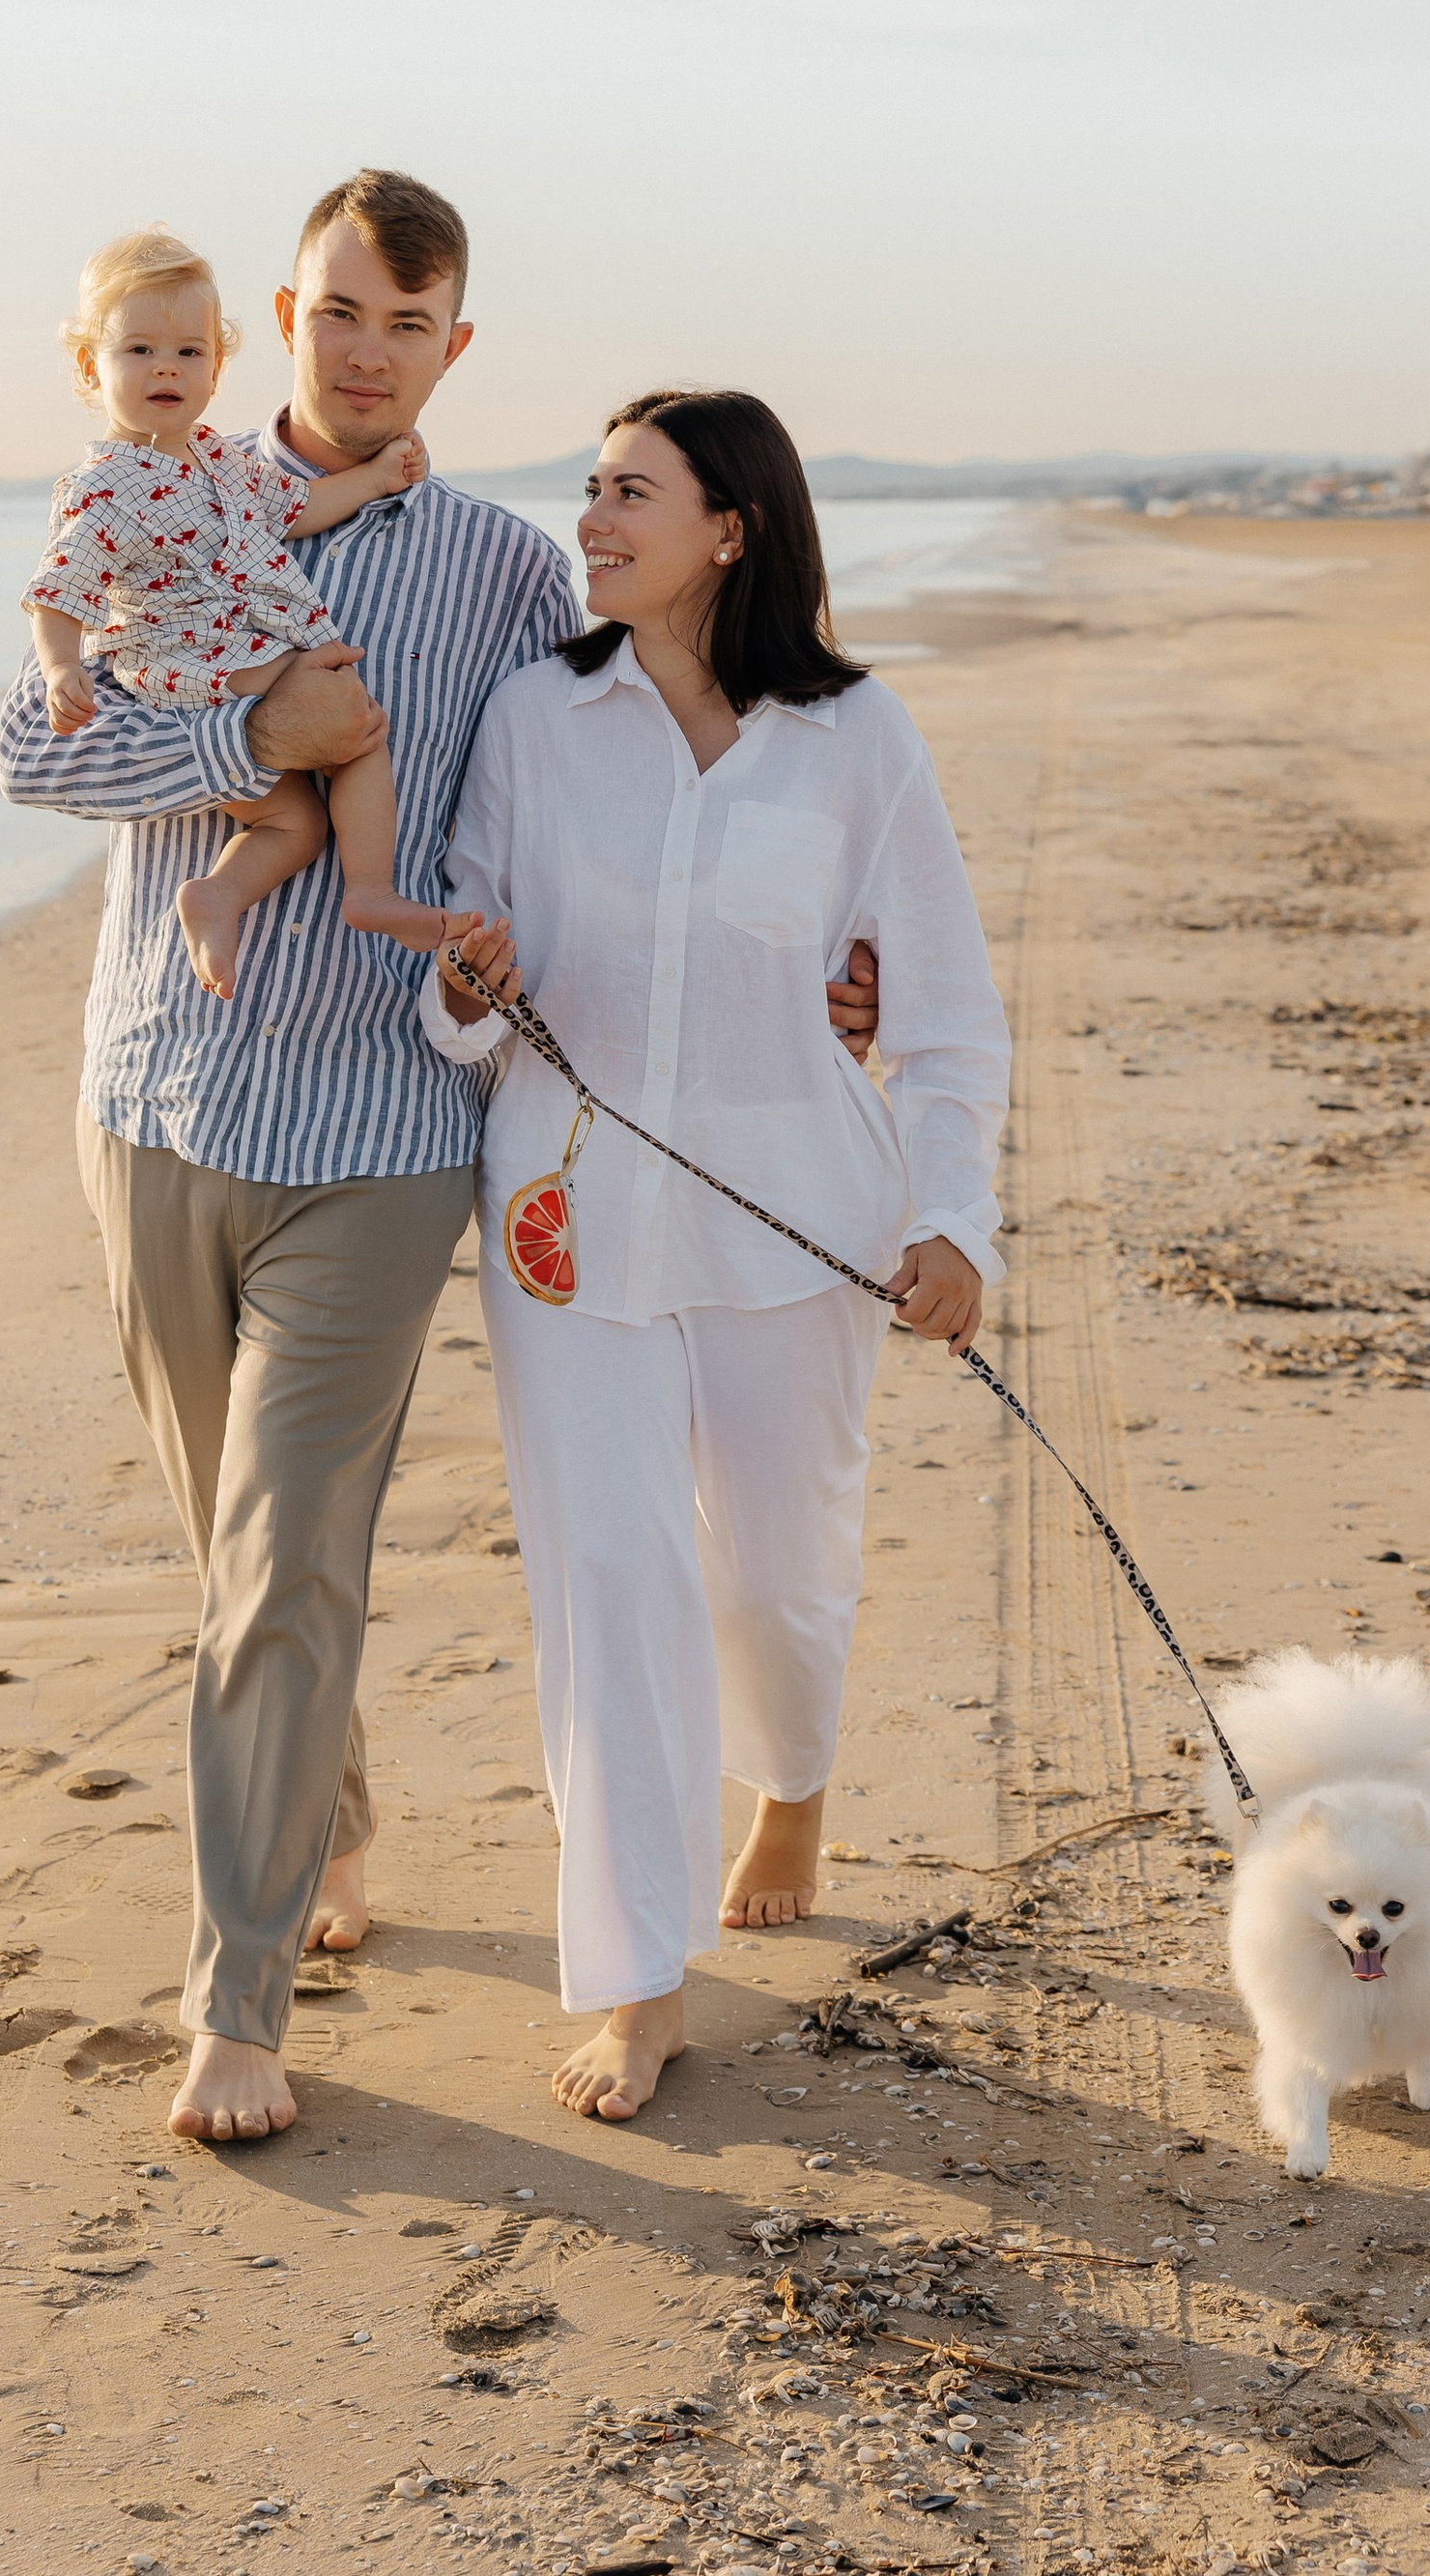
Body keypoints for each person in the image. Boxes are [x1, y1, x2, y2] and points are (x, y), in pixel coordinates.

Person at [0, 178, 885, 2144]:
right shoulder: (167, 493)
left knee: (286, 1551)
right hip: (149, 1097)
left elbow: (647, 743)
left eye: (404, 318)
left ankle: (233, 2003)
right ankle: (330, 1801)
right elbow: (30, 753)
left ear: (451, 344)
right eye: (330, 308)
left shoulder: (503, 571)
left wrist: (822, 960)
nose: (362, 345)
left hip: (391, 1134)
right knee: (229, 1545)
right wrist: (248, 740)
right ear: (277, 321)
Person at [425, 388, 1010, 2124]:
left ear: (728, 527)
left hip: (797, 1220)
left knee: (774, 1572)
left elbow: (949, 1013)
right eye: (588, 489)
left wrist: (950, 1218)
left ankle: (797, 1778)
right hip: (566, 1221)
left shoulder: (857, 737)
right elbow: (460, 953)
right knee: (612, 1582)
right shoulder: (537, 712)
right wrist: (465, 984)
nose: (591, 519)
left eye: (629, 492)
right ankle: (638, 1973)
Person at [24, 225, 453, 997]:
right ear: (92, 366)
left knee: (299, 818)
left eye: (189, 352)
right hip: (188, 660)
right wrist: (59, 669)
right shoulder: (100, 488)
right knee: (350, 718)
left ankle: (222, 893)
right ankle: (373, 891)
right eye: (139, 351)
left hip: (235, 651)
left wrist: (382, 475)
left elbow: (302, 508)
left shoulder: (225, 462)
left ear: (216, 369)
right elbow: (61, 591)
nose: (166, 367)